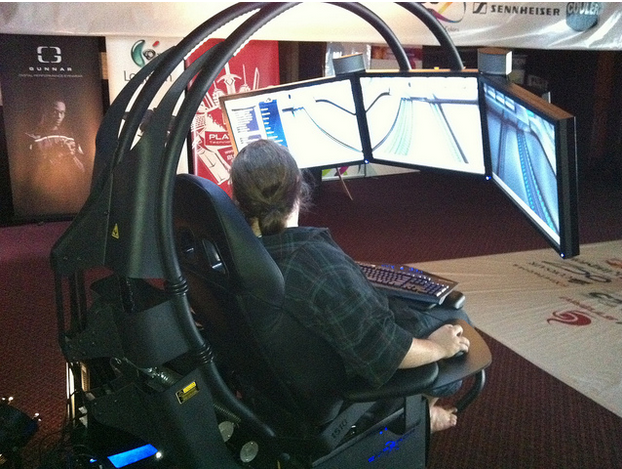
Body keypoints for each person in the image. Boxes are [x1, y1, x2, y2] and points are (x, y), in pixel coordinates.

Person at [229, 139, 471, 433]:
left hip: (282, 378)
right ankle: (420, 415)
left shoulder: (233, 253)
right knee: (457, 321)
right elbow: (386, 352)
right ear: (298, 187)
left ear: (238, 198)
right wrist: (438, 347)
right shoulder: (318, 266)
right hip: (344, 375)